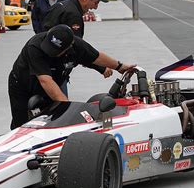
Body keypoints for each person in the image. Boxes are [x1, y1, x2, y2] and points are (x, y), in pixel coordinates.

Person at [8, 24, 136, 129]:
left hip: (50, 85)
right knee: (22, 124)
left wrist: (120, 67)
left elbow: (96, 57)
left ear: (69, 47)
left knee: (52, 120)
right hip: (22, 85)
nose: (50, 53)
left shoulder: (78, 46)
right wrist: (69, 111)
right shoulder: (35, 47)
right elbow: (45, 81)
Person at [43, 0, 113, 90]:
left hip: (44, 67)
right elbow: (77, 50)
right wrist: (100, 67)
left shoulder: (61, 6)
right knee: (59, 106)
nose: (95, 8)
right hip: (54, 72)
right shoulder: (73, 15)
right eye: (96, 2)